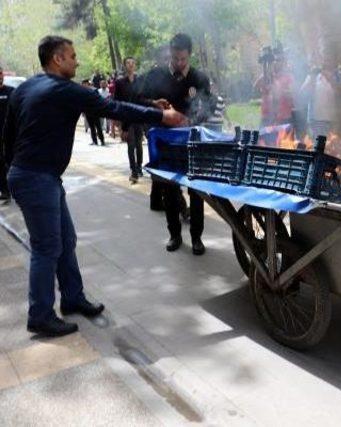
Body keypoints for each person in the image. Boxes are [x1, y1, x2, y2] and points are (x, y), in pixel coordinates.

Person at [1, 35, 185, 337]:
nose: (77, 61)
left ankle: (72, 298)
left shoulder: (26, 88)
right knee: (47, 247)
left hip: (37, 176)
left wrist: (11, 169)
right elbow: (113, 109)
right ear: (57, 59)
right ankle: (40, 314)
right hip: (36, 177)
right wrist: (161, 116)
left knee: (65, 239)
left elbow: (8, 135)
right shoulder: (65, 90)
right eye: (72, 56)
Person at [140, 33, 211, 255]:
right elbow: (139, 99)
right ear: (170, 54)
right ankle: (174, 235)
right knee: (169, 190)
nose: (179, 64)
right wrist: (154, 104)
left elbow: (206, 108)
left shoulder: (199, 78)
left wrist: (191, 120)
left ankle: (197, 237)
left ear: (189, 56)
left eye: (183, 59)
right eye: (175, 59)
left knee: (196, 190)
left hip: (192, 142)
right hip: (167, 142)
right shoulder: (156, 75)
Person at [115, 57, 146, 183]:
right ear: (124, 66)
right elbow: (117, 101)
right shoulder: (120, 82)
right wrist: (119, 122)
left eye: (132, 63)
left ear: (135, 65)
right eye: (128, 63)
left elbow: (144, 98)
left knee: (139, 144)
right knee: (130, 144)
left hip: (139, 116)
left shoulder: (140, 80)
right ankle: (133, 169)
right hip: (127, 117)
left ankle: (139, 167)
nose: (130, 65)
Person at [254, 50, 295, 127]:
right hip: (266, 116)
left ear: (283, 62)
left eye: (278, 60)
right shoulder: (266, 76)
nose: (276, 62)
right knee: (262, 138)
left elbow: (293, 95)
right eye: (274, 60)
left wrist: (279, 91)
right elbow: (255, 89)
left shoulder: (288, 77)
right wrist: (265, 74)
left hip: (284, 117)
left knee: (284, 138)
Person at [300, 56, 337, 139]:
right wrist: (312, 78)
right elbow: (303, 94)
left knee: (329, 146)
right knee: (317, 146)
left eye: (329, 63)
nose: (327, 65)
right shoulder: (313, 77)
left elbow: (338, 97)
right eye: (325, 63)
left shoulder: (334, 79)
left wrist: (331, 80)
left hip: (330, 120)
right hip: (316, 120)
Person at [0, 66, 14, 201]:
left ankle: (15, 189)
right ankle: (4, 191)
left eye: (0, 73)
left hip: (11, 135)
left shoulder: (11, 92)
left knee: (12, 162)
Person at [81, 79, 106, 146]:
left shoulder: (94, 90)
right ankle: (94, 141)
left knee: (98, 127)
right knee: (91, 127)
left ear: (87, 84)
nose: (83, 85)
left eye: (84, 84)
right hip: (88, 112)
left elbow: (98, 99)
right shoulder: (83, 91)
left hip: (95, 111)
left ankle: (102, 140)